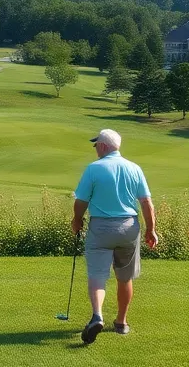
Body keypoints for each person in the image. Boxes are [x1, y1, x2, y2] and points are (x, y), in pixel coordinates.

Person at [71, 128, 158, 344]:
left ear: (103, 146)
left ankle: (97, 315)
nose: (95, 150)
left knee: (98, 274)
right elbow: (146, 202)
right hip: (129, 227)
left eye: (96, 146)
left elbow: (81, 201)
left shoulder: (93, 169)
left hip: (100, 228)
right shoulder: (134, 168)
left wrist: (77, 220)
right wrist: (151, 229)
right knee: (124, 277)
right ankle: (121, 322)